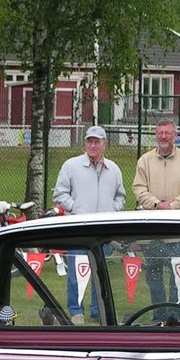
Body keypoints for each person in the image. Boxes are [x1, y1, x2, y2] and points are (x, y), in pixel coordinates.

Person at [53, 125, 125, 322]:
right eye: (89, 141)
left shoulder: (114, 169)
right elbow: (59, 193)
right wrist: (75, 208)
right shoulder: (71, 166)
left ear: (104, 144)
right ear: (85, 143)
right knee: (77, 272)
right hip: (78, 228)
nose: (93, 145)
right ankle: (76, 311)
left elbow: (121, 196)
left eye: (97, 141)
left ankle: (97, 310)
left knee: (100, 272)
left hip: (104, 230)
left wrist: (113, 209)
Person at [131, 119, 180, 308]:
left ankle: (176, 316)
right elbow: (138, 188)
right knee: (154, 278)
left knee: (178, 279)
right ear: (155, 135)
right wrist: (156, 205)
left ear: (175, 136)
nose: (163, 137)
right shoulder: (144, 160)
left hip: (179, 233)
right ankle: (158, 316)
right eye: (160, 133)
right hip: (152, 231)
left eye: (167, 133)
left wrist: (173, 206)